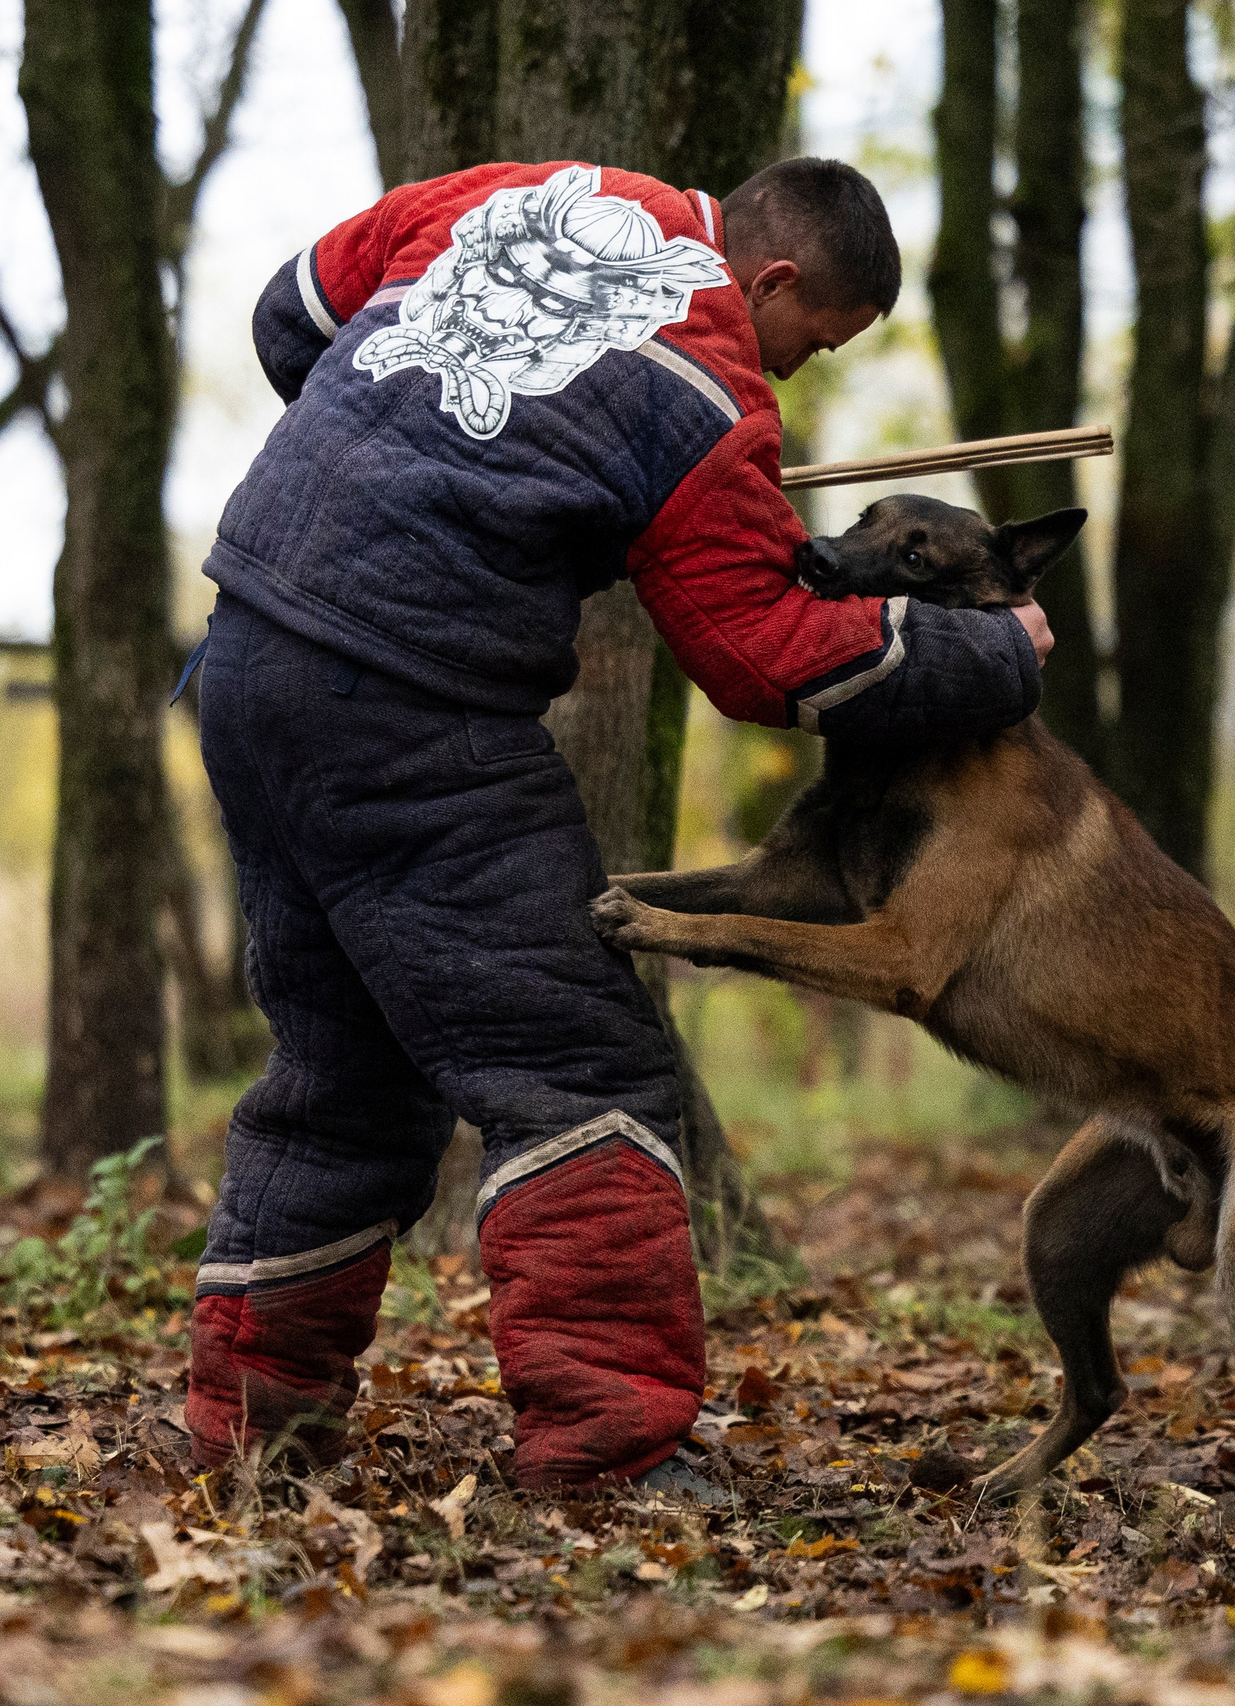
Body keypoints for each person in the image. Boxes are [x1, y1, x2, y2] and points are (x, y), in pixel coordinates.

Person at [186, 157, 1052, 1491]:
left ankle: (247, 1434)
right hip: (413, 708)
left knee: (343, 1081)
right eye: (810, 340)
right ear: (773, 278)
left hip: (249, 657)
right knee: (584, 1066)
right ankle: (610, 1450)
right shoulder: (712, 388)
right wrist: (997, 656)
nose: (795, 374)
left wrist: (431, 454)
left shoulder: (525, 192)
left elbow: (290, 319)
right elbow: (763, 654)